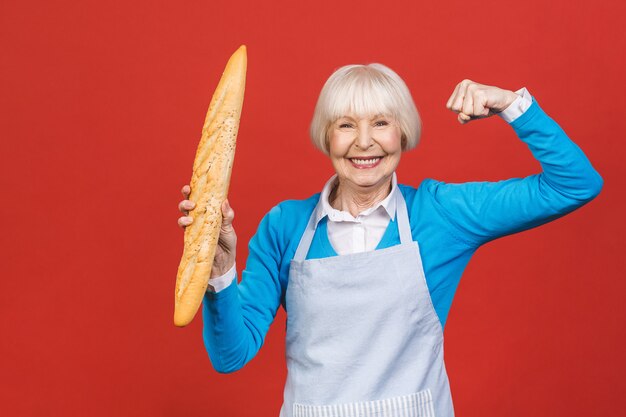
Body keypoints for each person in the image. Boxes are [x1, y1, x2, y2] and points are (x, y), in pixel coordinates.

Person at [177, 64, 603, 417]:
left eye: (381, 123)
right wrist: (218, 272)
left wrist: (512, 105)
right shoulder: (285, 226)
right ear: (327, 136)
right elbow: (231, 355)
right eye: (346, 125)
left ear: (403, 133)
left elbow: (575, 185)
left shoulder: (440, 214)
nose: (364, 142)